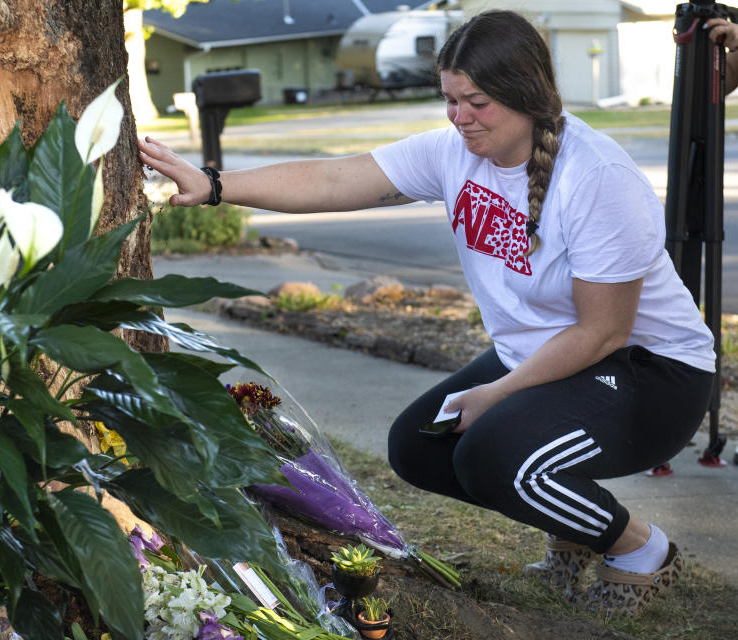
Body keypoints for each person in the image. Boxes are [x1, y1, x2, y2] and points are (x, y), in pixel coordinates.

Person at [139, 10, 715, 616]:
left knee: (494, 456)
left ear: (527, 96)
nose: (459, 117)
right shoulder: (452, 151)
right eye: (450, 99)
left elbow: (604, 329)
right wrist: (216, 183)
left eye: (477, 102)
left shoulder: (596, 177)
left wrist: (497, 393)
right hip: (555, 357)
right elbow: (338, 180)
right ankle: (574, 529)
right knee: (418, 448)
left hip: (650, 375)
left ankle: (640, 550)